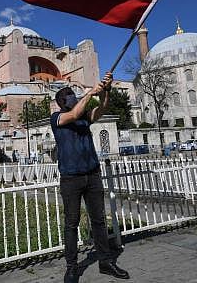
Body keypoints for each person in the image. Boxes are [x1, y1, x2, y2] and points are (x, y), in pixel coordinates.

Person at [51, 72, 129, 283]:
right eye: (68, 95)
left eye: (72, 93)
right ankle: (71, 268)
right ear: (61, 102)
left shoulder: (85, 117)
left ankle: (105, 262)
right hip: (71, 179)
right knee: (71, 223)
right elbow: (74, 114)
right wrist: (89, 93)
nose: (72, 96)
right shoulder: (57, 118)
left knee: (99, 220)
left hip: (92, 175)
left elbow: (102, 109)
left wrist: (106, 90)